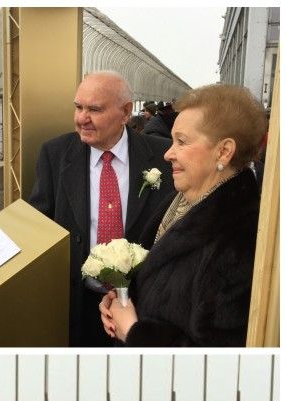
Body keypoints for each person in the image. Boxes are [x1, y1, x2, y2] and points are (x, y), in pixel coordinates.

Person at [100, 84, 267, 346]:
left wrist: (134, 332)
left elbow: (215, 364)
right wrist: (120, 299)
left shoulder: (240, 240)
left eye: (182, 141)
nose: (168, 153)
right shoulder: (181, 200)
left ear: (223, 151)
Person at [29, 70, 173, 347]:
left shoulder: (163, 157)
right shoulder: (55, 155)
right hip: (78, 306)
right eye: (78, 107)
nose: (82, 118)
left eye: (94, 109)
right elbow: (40, 225)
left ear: (125, 112)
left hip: (143, 307)